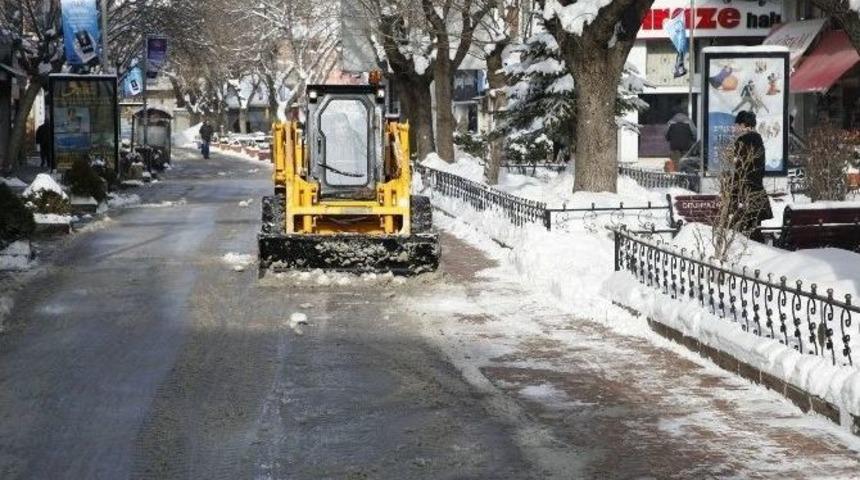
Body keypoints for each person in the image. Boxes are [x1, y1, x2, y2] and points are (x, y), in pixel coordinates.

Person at [730, 111, 773, 242]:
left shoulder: (742, 141)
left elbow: (740, 171)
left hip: (745, 191)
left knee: (740, 232)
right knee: (754, 228)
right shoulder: (758, 140)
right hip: (757, 190)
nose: (734, 128)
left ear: (743, 125)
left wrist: (734, 196)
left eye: (736, 125)